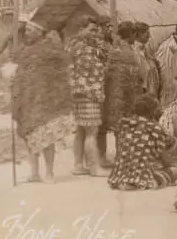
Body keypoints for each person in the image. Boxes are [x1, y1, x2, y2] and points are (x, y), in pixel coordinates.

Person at [11, 20, 75, 183]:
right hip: (28, 99)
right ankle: (34, 173)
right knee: (30, 135)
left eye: (30, 30)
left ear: (40, 32)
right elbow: (15, 63)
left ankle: (49, 173)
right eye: (26, 30)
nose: (27, 33)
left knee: (47, 136)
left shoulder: (50, 49)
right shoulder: (25, 51)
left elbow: (65, 64)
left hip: (46, 99)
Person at [107, 95, 177, 191]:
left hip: (118, 177)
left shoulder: (123, 123)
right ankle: (140, 182)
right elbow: (165, 160)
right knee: (175, 172)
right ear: (152, 112)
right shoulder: (154, 128)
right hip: (142, 177)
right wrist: (174, 165)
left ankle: (129, 181)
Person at [67, 16, 109, 176]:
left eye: (95, 30)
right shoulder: (85, 49)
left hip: (78, 94)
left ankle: (78, 165)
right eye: (91, 30)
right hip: (89, 93)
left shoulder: (73, 45)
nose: (94, 33)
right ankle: (94, 167)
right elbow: (96, 72)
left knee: (81, 130)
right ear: (80, 29)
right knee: (92, 132)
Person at [102, 21, 143, 167]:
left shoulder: (115, 49)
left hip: (115, 93)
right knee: (124, 126)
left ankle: (121, 156)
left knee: (120, 126)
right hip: (124, 94)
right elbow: (134, 75)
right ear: (132, 34)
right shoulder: (127, 52)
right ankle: (123, 156)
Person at [132, 22, 161, 101]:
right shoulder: (136, 52)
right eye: (146, 33)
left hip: (151, 92)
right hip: (144, 94)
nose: (149, 36)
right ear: (138, 34)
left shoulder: (145, 50)